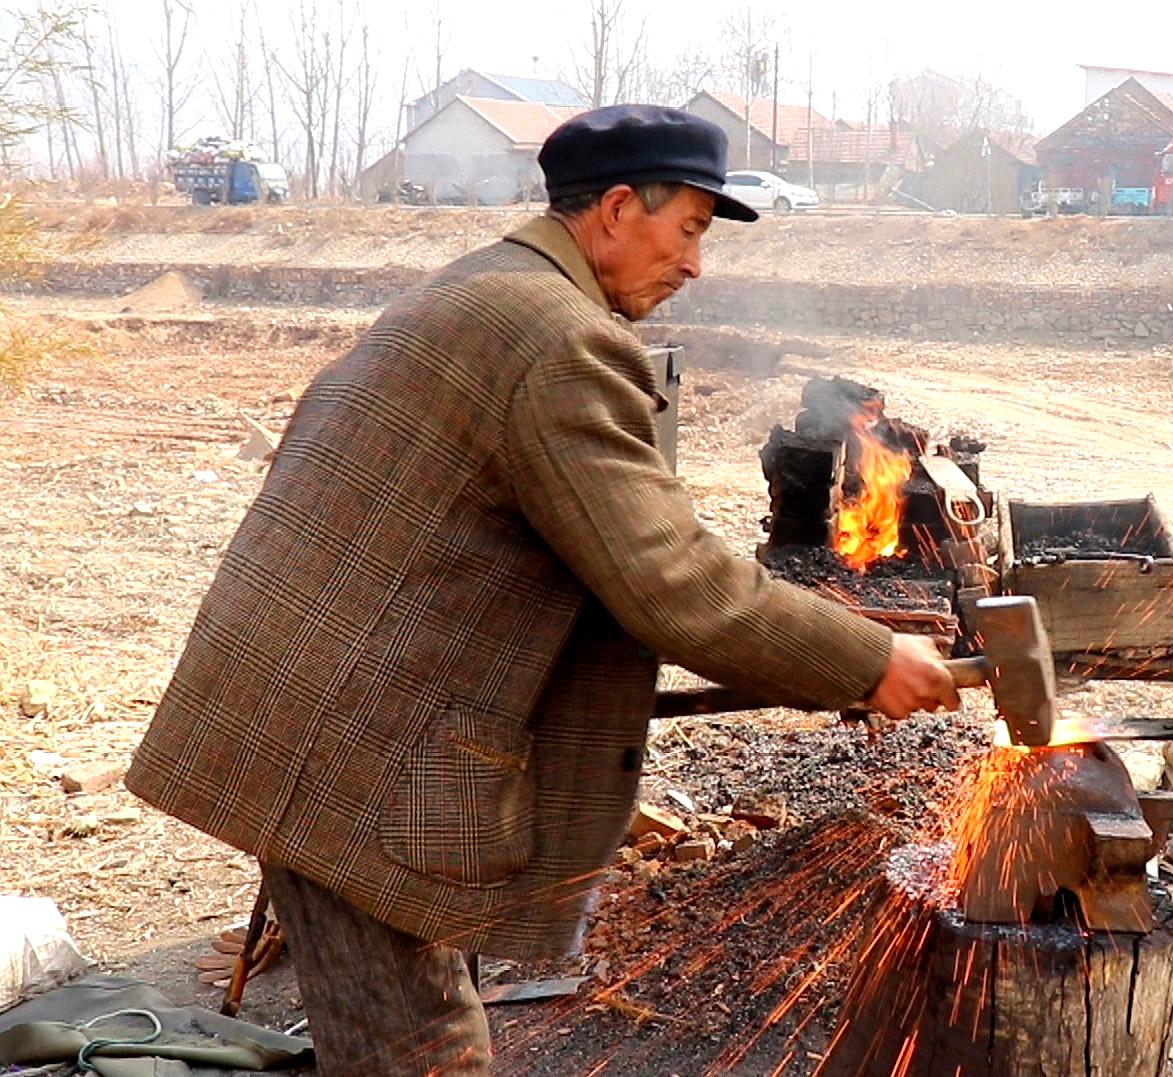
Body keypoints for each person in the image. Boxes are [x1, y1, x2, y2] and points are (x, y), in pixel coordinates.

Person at [125, 105, 962, 1075]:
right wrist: (869, 661)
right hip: (361, 751)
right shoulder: (560, 341)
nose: (697, 264)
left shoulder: (486, 288)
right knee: (423, 1053)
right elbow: (676, 583)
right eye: (688, 229)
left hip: (311, 713)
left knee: (394, 1033)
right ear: (614, 210)